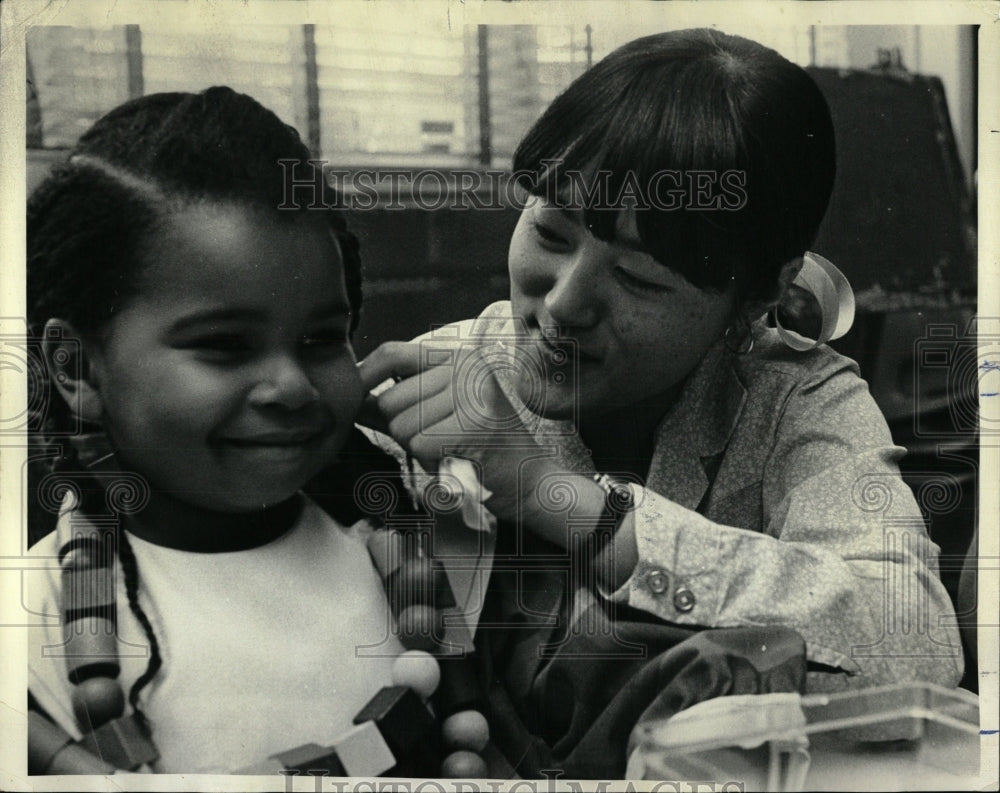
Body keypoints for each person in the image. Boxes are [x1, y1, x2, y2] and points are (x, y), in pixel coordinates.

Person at [358, 29, 965, 776]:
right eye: (550, 230)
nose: (564, 304)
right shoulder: (449, 382)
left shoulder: (797, 400)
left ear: (759, 295)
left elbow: (917, 645)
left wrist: (563, 500)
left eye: (640, 280)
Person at [24, 87, 432, 774]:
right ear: (78, 366)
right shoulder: (29, 634)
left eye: (322, 337)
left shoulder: (429, 553)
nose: (292, 386)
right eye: (224, 345)